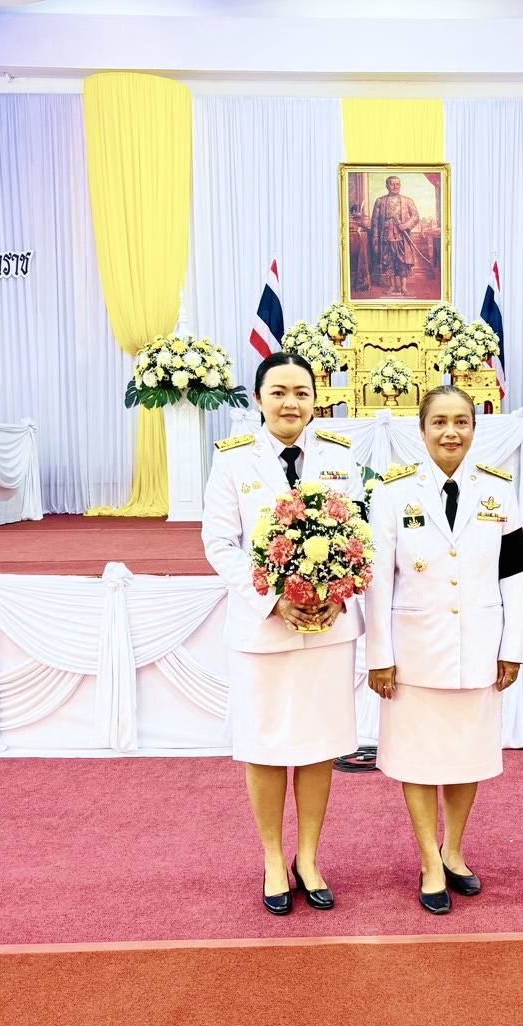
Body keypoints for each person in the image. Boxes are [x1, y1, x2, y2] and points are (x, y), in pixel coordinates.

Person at [201, 351, 362, 916]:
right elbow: (219, 544)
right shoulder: (233, 461)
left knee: (319, 747)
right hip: (263, 630)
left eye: (301, 392)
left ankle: (310, 857)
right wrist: (274, 602)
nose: (290, 402)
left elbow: (360, 532)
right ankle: (273, 856)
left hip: (327, 627)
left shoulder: (343, 456)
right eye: (279, 392)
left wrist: (333, 593)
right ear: (259, 399)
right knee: (266, 746)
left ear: (316, 399)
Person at [366, 386, 523, 914]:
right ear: (421, 432)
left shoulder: (499, 492)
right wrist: (379, 655)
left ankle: (455, 850)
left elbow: (514, 575)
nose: (450, 432)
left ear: (474, 429)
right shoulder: (393, 493)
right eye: (439, 422)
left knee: (467, 758)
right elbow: (377, 580)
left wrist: (511, 646)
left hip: (479, 648)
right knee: (418, 761)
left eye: (461, 422)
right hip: (415, 652)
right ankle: (428, 860)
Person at [369, 175, 421, 296]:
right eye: (392, 184)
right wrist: (375, 236)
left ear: (400, 185)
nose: (395, 186)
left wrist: (406, 225)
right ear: (387, 185)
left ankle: (403, 287)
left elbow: (415, 216)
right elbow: (375, 221)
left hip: (402, 237)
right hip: (386, 236)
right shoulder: (380, 201)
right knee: (388, 260)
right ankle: (392, 286)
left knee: (402, 261)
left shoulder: (407, 200)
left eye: (397, 184)